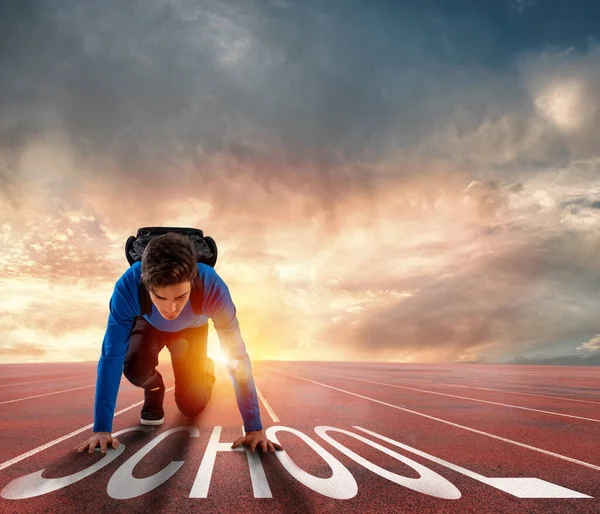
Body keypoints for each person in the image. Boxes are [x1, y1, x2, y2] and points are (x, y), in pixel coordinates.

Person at [75, 232, 283, 455]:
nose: (171, 309)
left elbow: (237, 357)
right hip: (148, 325)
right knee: (133, 368)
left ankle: (206, 368)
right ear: (145, 282)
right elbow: (111, 356)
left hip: (192, 330)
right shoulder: (127, 287)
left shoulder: (212, 287)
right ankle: (154, 387)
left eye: (180, 296)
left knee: (191, 405)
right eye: (161, 298)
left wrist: (254, 428)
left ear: (193, 280)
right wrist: (102, 429)